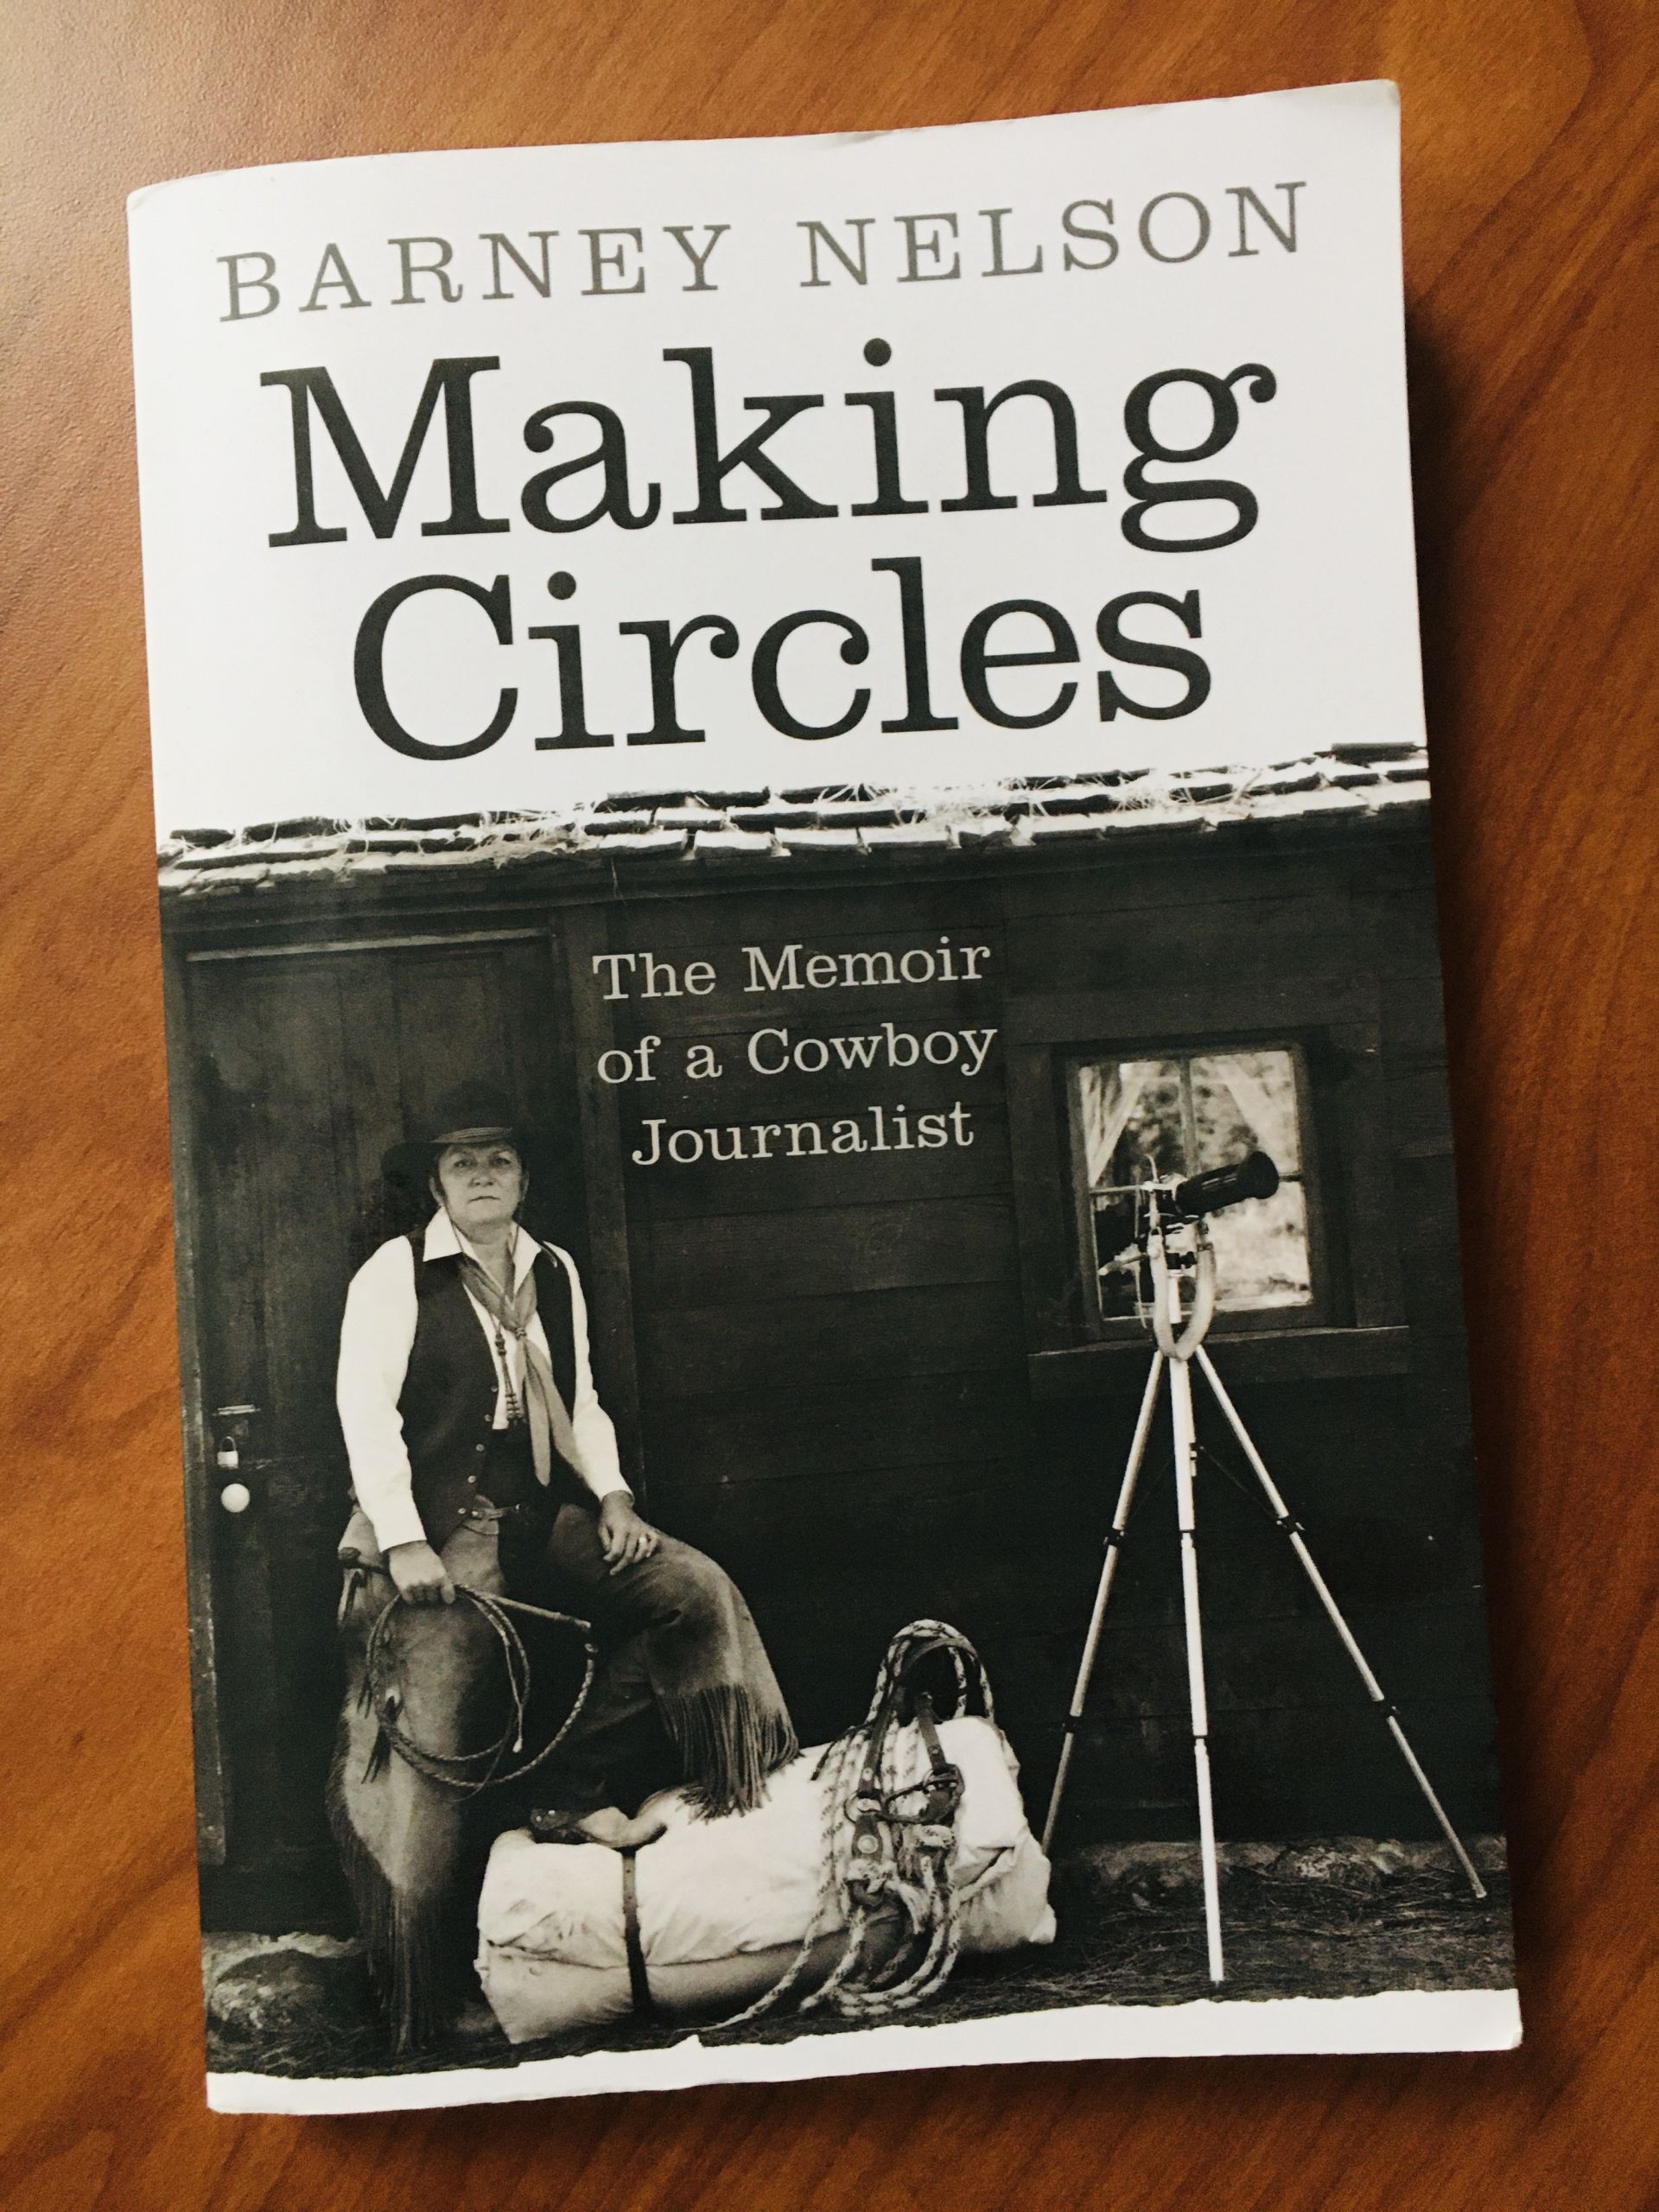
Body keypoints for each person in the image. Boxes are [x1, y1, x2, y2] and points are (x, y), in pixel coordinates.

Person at [329, 1080, 796, 2048]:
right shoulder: (396, 1272)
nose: (484, 1176)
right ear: (437, 1182)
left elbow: (578, 1403)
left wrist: (614, 1494)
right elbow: (364, 1415)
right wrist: (407, 1539)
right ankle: (421, 1994)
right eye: (464, 1162)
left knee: (691, 1593)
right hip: (429, 1528)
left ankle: (576, 1791)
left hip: (542, 1515)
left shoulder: (555, 1270)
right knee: (430, 1739)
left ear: (524, 1176)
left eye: (500, 1159)